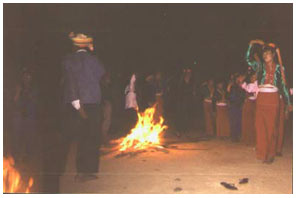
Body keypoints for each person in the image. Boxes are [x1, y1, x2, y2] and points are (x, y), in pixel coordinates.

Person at [61, 32, 105, 181]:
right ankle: (87, 171)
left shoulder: (68, 60)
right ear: (87, 45)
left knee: (83, 138)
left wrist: (76, 104)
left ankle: (83, 171)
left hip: (78, 103)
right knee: (92, 138)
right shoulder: (93, 59)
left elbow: (70, 83)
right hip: (92, 103)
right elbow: (101, 74)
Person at [246, 39, 292, 163]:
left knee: (271, 127)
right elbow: (248, 60)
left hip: (273, 99)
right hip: (261, 98)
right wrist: (251, 45)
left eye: (268, 54)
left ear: (273, 55)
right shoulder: (260, 66)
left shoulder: (280, 68)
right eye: (264, 54)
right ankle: (262, 153)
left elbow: (283, 87)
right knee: (260, 127)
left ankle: (270, 153)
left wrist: (289, 103)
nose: (265, 56)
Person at [12, 68, 39, 162]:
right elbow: (14, 101)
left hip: (30, 116)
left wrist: (28, 93)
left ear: (31, 78)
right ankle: (16, 156)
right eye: (24, 77)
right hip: (19, 116)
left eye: (28, 77)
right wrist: (18, 92)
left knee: (29, 137)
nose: (26, 79)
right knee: (17, 136)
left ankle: (28, 156)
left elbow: (35, 102)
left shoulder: (34, 89)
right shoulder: (19, 87)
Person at [176, 68, 195, 136]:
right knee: (180, 114)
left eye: (190, 73)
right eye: (187, 73)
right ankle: (179, 130)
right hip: (181, 100)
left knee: (187, 115)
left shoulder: (191, 81)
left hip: (188, 100)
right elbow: (178, 90)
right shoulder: (181, 80)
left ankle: (186, 130)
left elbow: (193, 90)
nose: (188, 74)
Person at [227, 74, 246, 142]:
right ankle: (233, 136)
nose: (242, 79)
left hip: (238, 105)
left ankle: (237, 136)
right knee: (234, 121)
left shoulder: (241, 86)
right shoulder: (233, 86)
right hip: (233, 105)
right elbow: (231, 96)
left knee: (238, 121)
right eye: (240, 78)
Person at [240, 72, 258, 146]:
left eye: (255, 77)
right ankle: (247, 139)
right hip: (248, 104)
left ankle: (254, 140)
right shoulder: (248, 85)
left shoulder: (258, 85)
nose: (254, 78)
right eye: (252, 77)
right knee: (247, 122)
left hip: (255, 104)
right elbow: (247, 89)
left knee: (254, 122)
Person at [101, 72, 113, 144]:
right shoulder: (102, 87)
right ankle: (103, 136)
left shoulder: (106, 86)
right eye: (108, 78)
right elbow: (102, 96)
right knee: (106, 120)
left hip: (107, 103)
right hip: (105, 104)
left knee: (107, 120)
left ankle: (104, 135)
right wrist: (104, 103)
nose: (109, 80)